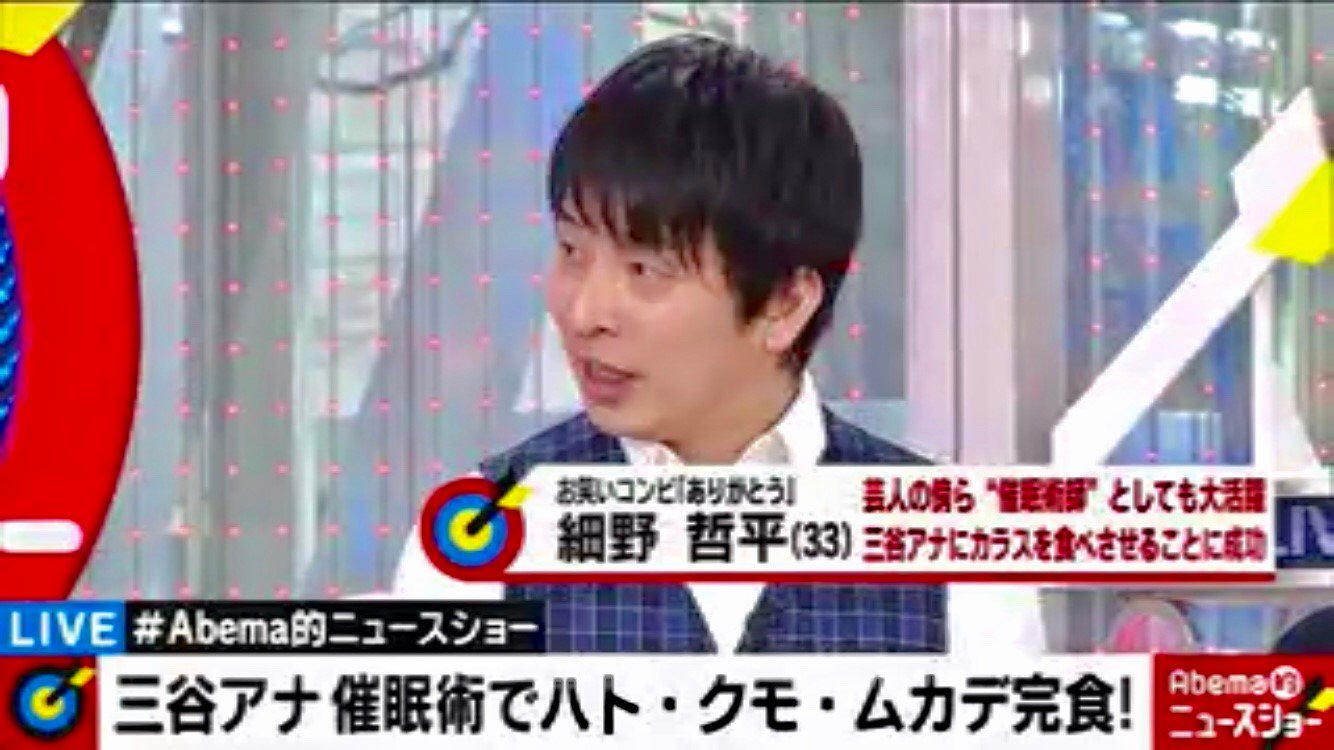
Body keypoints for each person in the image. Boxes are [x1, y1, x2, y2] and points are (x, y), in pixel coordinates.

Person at [394, 33, 947, 653]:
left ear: (785, 303)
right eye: (572, 251)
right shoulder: (481, 539)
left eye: (644, 270)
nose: (584, 314)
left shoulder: (949, 547)